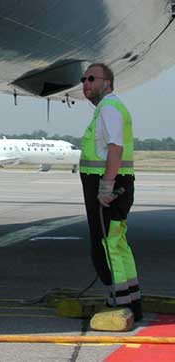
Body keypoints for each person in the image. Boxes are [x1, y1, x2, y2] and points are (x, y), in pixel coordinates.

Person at [79, 63, 142, 321]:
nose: (85, 84)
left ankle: (118, 304)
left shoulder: (108, 109)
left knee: (106, 245)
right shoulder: (110, 108)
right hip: (117, 183)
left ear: (108, 82)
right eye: (83, 79)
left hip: (108, 186)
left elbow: (115, 149)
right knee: (117, 243)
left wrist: (106, 186)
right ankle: (131, 301)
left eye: (91, 78)